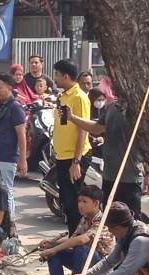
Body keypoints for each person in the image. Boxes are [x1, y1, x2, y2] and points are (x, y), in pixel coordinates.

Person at [67, 88, 149, 215]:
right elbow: (96, 129)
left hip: (130, 178)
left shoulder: (140, 111)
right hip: (109, 176)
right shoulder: (112, 107)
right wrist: (72, 117)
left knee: (131, 220)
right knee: (109, 219)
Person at [39, 185, 114, 275]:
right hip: (84, 261)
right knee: (53, 253)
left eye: (85, 201)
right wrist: (52, 244)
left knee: (81, 248)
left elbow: (82, 239)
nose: (80, 205)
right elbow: (73, 238)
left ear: (96, 203)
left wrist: (55, 248)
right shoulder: (85, 219)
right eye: (79, 201)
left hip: (101, 267)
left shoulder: (102, 221)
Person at [52, 59, 92, 234]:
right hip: (62, 156)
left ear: (66, 76)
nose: (55, 79)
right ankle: (72, 237)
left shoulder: (79, 97)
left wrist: (76, 161)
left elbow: (83, 130)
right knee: (66, 203)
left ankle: (79, 242)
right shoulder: (63, 95)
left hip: (75, 158)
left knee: (75, 204)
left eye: (57, 75)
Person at [0, 73, 28, 219]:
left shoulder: (15, 108)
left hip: (7, 158)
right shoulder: (0, 106)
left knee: (6, 193)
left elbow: (21, 135)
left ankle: (10, 225)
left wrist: (22, 159)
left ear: (9, 87)